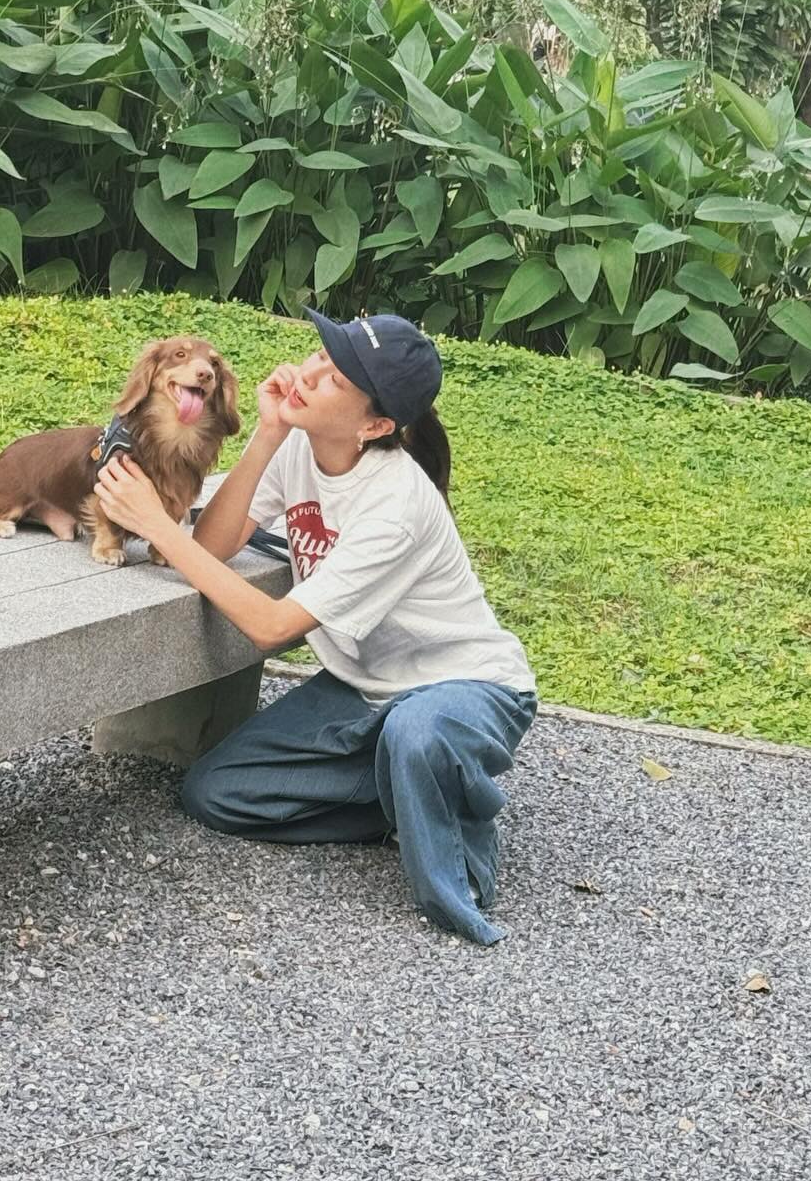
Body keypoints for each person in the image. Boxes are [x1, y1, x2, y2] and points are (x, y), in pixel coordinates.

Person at [93, 308, 538, 945]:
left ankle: (459, 872)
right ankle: (403, 803)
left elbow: (272, 628)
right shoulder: (302, 445)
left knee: (418, 731)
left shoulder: (397, 505)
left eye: (333, 378)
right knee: (216, 792)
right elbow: (215, 545)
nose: (309, 372)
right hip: (365, 689)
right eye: (319, 356)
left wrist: (159, 526)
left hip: (464, 690)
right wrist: (268, 435)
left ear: (376, 424)